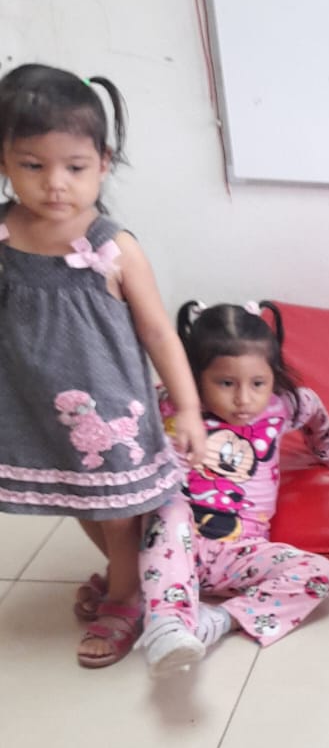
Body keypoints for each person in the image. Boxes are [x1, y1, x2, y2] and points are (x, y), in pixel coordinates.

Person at [0, 63, 205, 667]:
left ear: (104, 163)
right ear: (4, 161)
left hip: (111, 410)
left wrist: (189, 407)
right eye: (32, 165)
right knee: (78, 500)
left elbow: (159, 331)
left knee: (118, 513)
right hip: (33, 405)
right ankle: (132, 577)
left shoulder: (113, 248)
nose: (54, 185)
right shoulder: (4, 237)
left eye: (74, 167)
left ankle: (125, 597)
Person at [136, 301, 329, 676]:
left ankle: (214, 622)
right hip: (175, 545)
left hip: (240, 552)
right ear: (195, 376)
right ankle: (167, 624)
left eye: (257, 383)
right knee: (170, 507)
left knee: (320, 572)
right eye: (225, 383)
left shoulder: (283, 406)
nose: (243, 399)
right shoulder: (170, 405)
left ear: (272, 376)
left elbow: (315, 410)